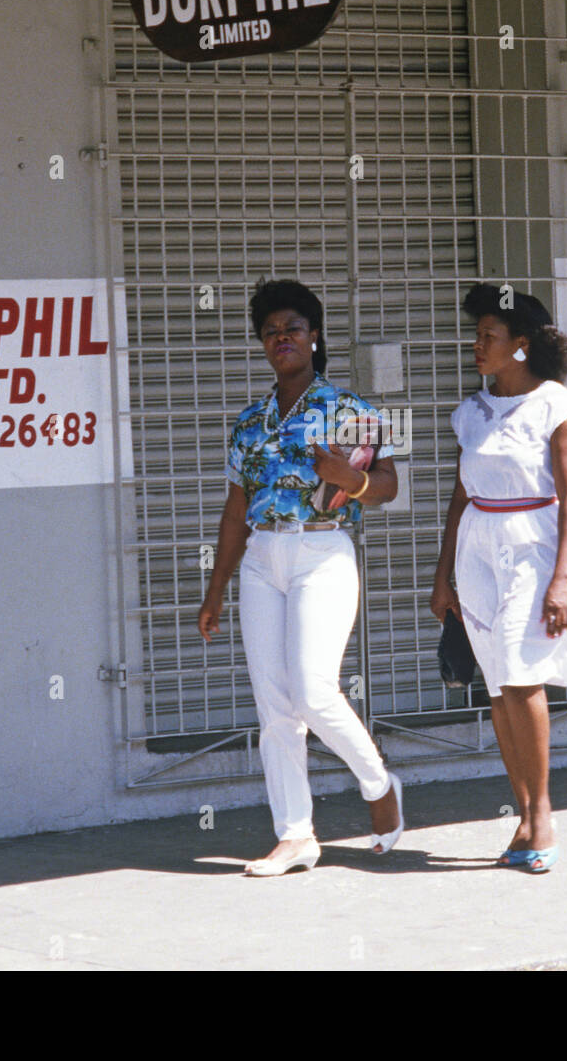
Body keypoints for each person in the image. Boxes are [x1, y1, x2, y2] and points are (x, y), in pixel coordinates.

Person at [198, 279, 404, 876]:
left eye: (292, 327)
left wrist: (353, 478)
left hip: (322, 552)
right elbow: (236, 510)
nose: (281, 338)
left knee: (315, 690)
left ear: (315, 337)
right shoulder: (247, 423)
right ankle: (295, 836)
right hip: (263, 559)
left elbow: (390, 485)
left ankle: (378, 784)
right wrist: (215, 592)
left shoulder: (351, 409)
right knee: (275, 707)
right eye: (270, 332)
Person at [430, 282, 567, 874]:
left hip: (537, 547)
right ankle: (522, 815)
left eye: (487, 337)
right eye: (476, 336)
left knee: (523, 676)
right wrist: (444, 572)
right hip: (479, 546)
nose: (476, 346)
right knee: (498, 684)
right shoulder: (472, 412)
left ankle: (543, 814)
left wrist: (563, 579)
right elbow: (459, 495)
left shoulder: (559, 408)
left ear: (520, 346)